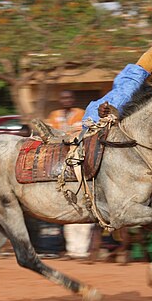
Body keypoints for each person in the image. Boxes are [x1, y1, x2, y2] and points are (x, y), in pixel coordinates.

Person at [46, 91, 91, 259]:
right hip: (58, 160)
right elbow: (51, 134)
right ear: (59, 99)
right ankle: (71, 249)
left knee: (81, 202)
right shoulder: (54, 115)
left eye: (70, 98)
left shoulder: (81, 113)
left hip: (78, 159)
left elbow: (84, 133)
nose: (67, 100)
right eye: (63, 97)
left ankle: (82, 250)